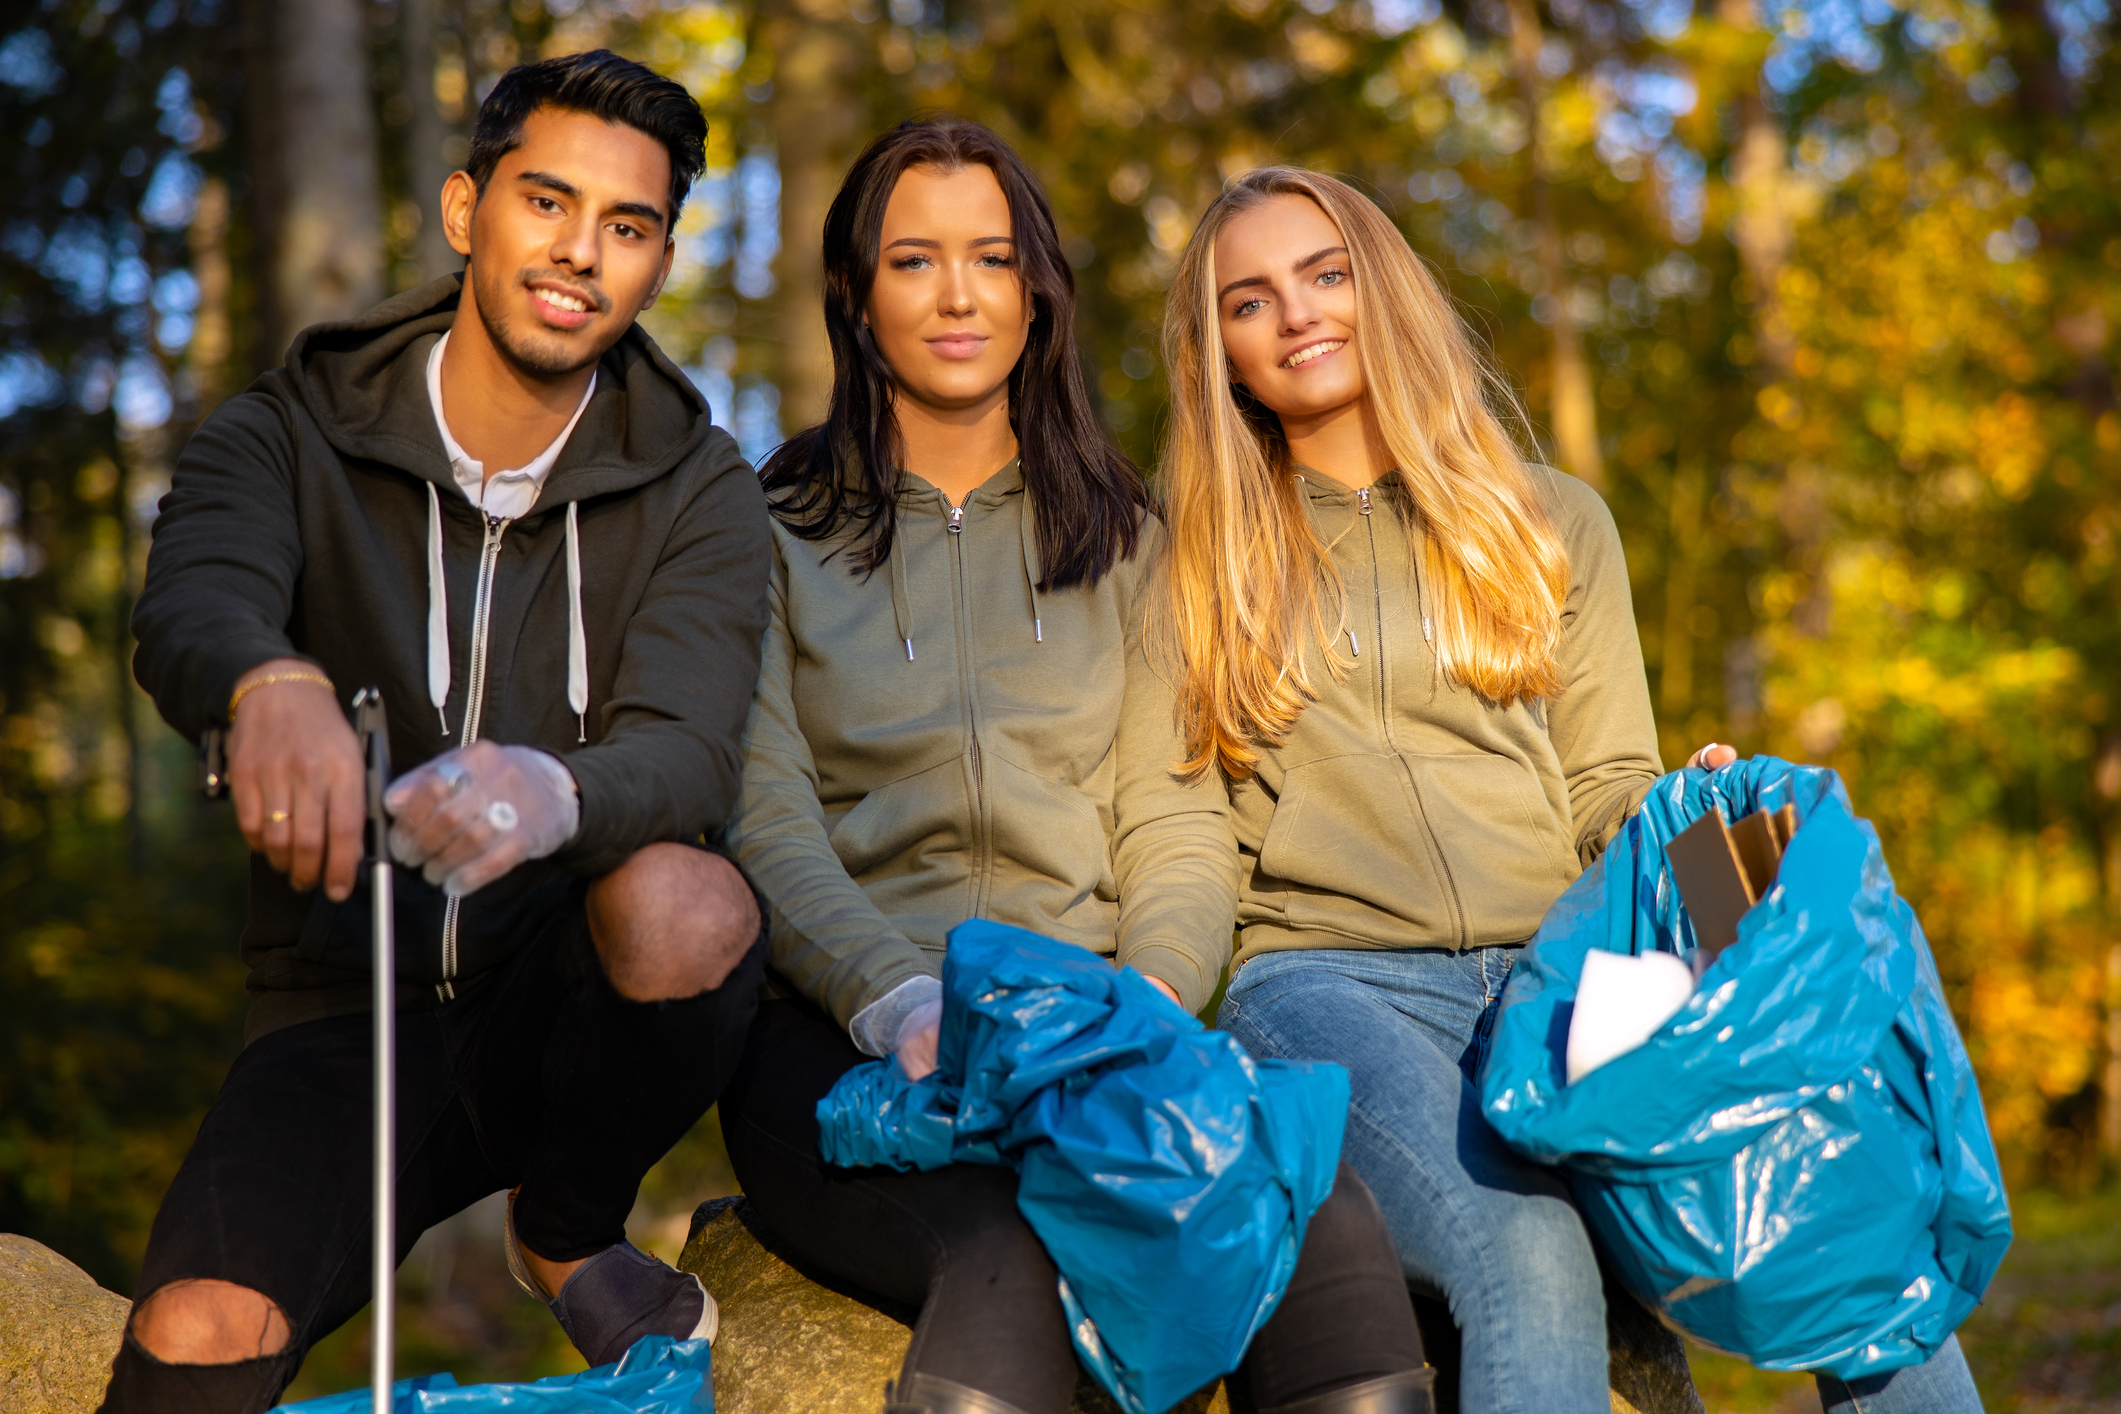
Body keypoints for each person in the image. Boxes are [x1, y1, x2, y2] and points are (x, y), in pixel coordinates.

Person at [1150, 164, 1987, 1414]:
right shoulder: (1186, 560)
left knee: (1838, 1188)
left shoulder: (1547, 519)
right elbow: (1187, 839)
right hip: (1328, 985)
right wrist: (1154, 999)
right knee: (1529, 1252)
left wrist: (1715, 844)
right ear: (1217, 350)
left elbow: (1607, 788)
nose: (1299, 314)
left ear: (1384, 290)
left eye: (1327, 274)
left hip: (1558, 974)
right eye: (1249, 300)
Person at [717, 120, 1434, 1414]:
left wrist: (1150, 997)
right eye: (912, 259)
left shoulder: (1125, 536)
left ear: (1036, 292)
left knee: (1322, 1231)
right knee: (1014, 1263)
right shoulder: (766, 535)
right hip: (852, 1044)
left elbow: (1173, 814)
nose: (956, 295)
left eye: (991, 257)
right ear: (854, 294)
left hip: (1100, 1030)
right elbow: (760, 819)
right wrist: (897, 1003)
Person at [104, 51, 772, 1414]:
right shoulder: (286, 431)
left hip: (563, 995)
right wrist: (266, 682)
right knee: (195, 1329)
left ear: (654, 261)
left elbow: (693, 748)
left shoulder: (701, 484)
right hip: (342, 1009)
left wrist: (551, 789)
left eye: (628, 226)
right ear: (469, 208)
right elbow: (193, 603)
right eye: (547, 201)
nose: (579, 252)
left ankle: (565, 1223)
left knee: (688, 901)